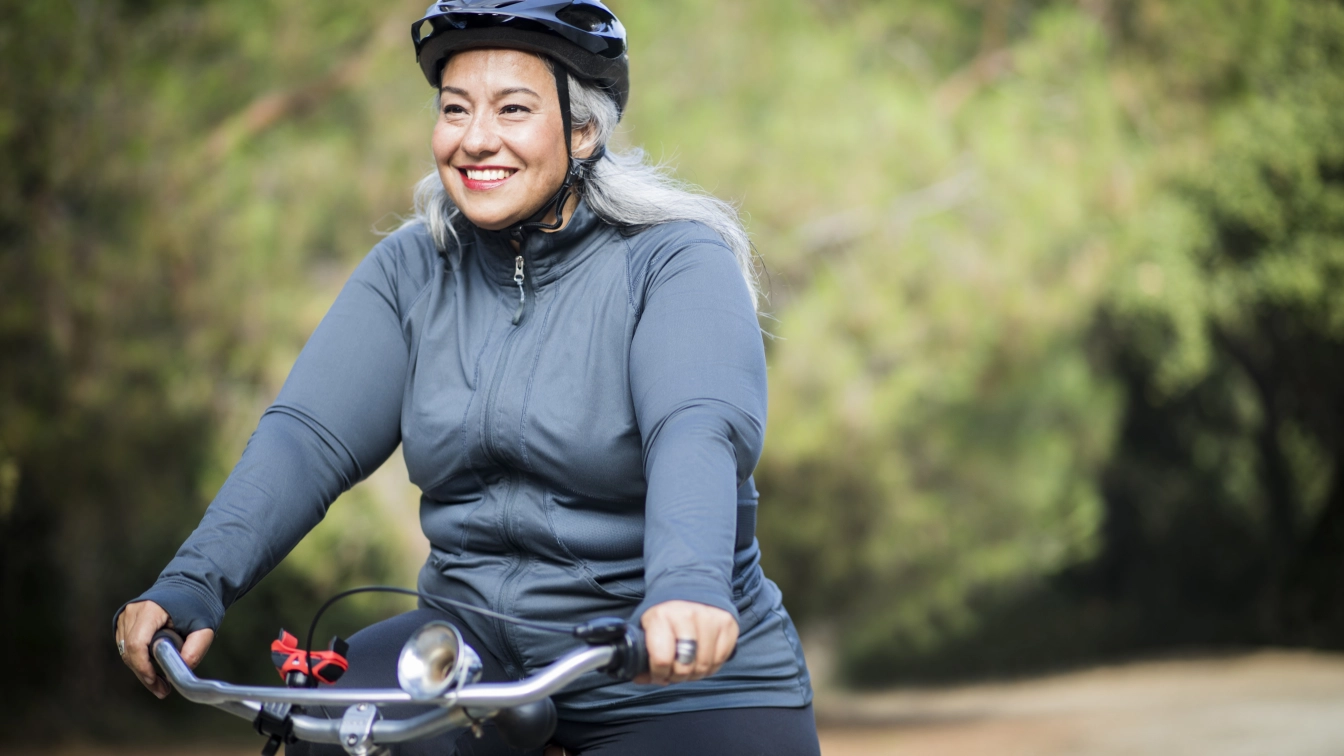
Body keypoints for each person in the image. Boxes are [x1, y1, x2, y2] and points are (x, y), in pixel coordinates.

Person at [114, 2, 819, 753]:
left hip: (664, 669)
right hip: (461, 661)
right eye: (455, 110)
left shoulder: (674, 262)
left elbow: (697, 429)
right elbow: (306, 440)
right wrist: (194, 581)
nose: (476, 138)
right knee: (329, 733)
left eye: (513, 108)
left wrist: (688, 592)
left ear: (583, 130)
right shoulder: (412, 268)